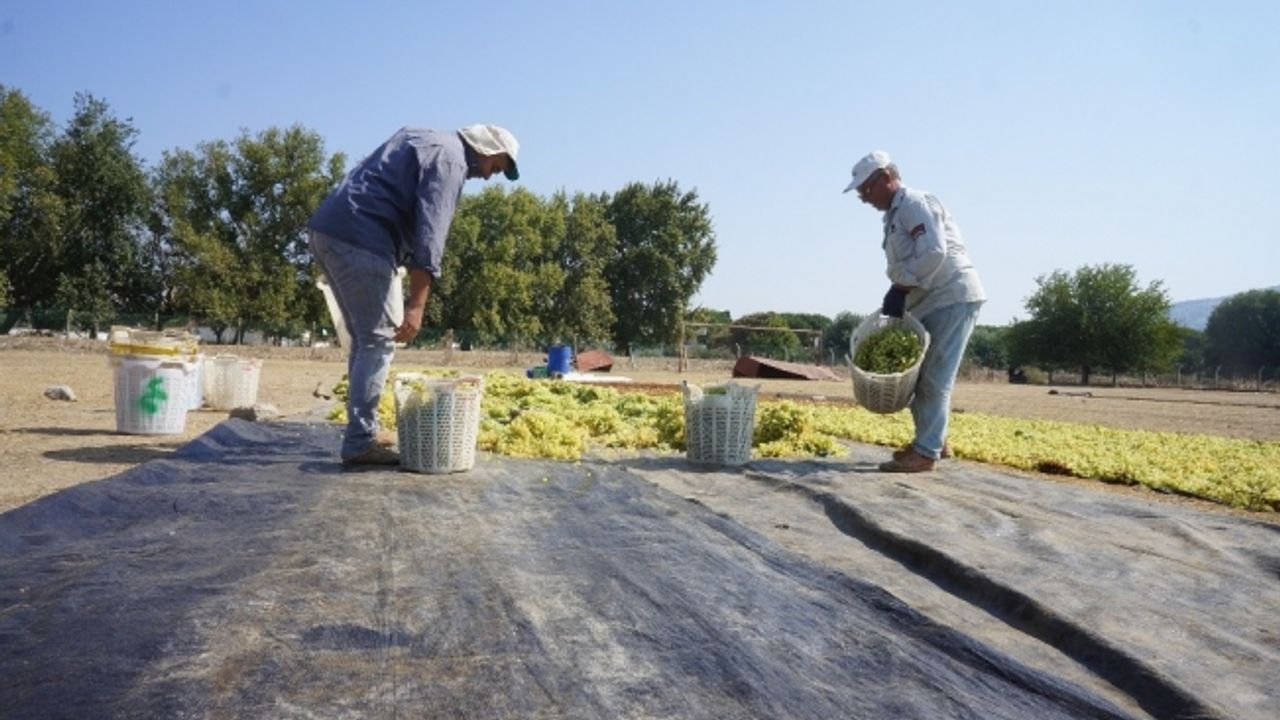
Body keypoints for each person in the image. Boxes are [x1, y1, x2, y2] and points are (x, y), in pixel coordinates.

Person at [308, 125, 519, 464]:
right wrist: (416, 306)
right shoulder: (451, 162)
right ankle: (360, 442)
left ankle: (363, 431)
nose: (489, 176)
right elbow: (430, 236)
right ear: (486, 149)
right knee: (378, 341)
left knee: (366, 339)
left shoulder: (424, 137)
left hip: (329, 230)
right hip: (361, 238)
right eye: (495, 167)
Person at [843, 151, 985, 472]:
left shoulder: (915, 204)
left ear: (886, 178)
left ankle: (926, 453)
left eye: (866, 189)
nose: (863, 198)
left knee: (934, 378)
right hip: (928, 300)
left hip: (950, 296)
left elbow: (934, 253)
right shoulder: (894, 215)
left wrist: (901, 287)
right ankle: (934, 441)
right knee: (917, 375)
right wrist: (901, 290)